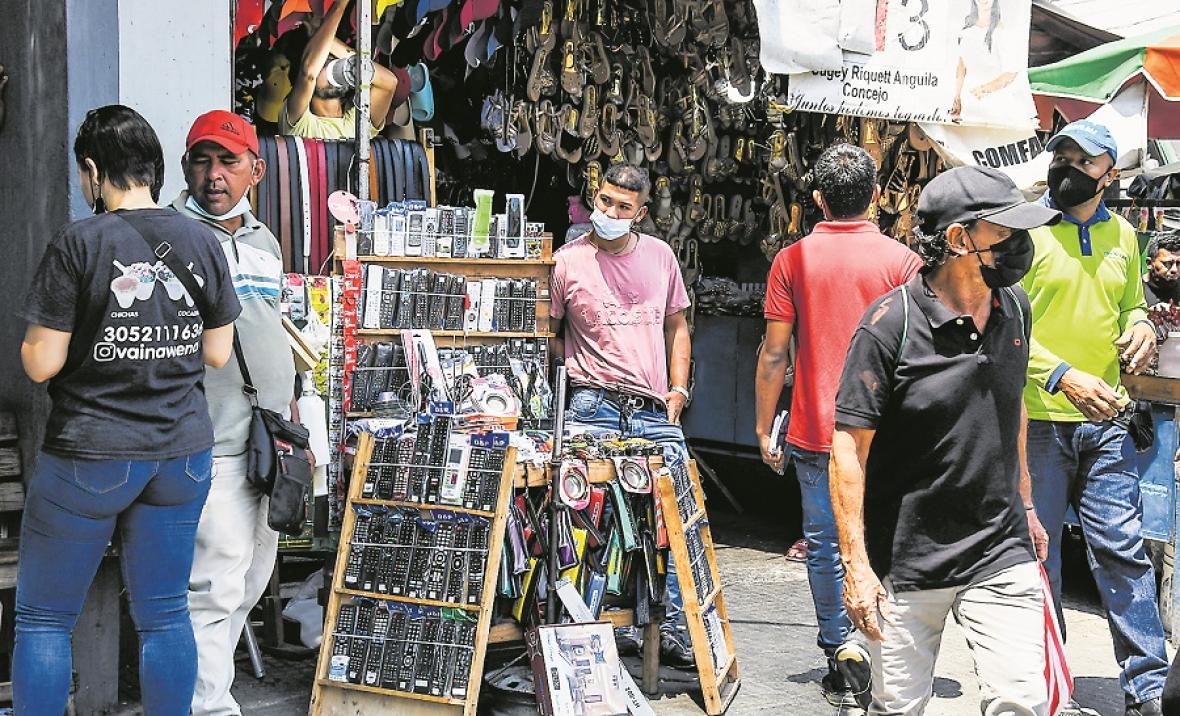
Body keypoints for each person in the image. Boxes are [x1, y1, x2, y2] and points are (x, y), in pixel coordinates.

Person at [15, 105, 241, 715]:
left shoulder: (78, 244)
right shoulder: (202, 239)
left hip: (91, 456)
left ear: (93, 171)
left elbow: (41, 363)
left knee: (43, 619)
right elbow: (217, 351)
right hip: (181, 456)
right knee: (165, 614)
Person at [831, 165, 1060, 715]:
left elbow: (1012, 405)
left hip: (1000, 549)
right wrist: (856, 567)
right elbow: (848, 449)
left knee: (1022, 701)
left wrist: (1025, 502)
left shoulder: (1015, 309)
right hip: (906, 561)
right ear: (959, 239)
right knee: (898, 709)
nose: (1020, 245)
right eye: (1004, 231)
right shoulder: (890, 325)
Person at [754, 143, 922, 707]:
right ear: (877, 197)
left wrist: (762, 425)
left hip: (817, 430)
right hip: (889, 433)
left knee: (826, 547)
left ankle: (841, 652)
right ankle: (887, 653)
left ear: (819, 199)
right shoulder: (903, 262)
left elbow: (775, 354)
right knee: (885, 545)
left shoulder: (791, 260)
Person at [1022, 120, 1168, 716]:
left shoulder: (1127, 237)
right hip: (1037, 420)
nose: (1067, 168)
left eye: (1082, 161)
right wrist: (1061, 375)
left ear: (1109, 174)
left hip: (1108, 420)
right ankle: (1043, 681)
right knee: (1039, 556)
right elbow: (1002, 327)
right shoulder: (1022, 232)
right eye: (1061, 155)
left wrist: (1140, 323)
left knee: (1122, 551)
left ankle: (1149, 688)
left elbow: (1130, 301)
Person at [172, 110, 301, 716]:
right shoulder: (169, 234)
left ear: (256, 168)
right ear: (184, 167)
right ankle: (210, 708)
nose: (214, 173)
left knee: (250, 580)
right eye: (202, 159)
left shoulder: (263, 240)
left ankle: (204, 697)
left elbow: (270, 327)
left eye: (227, 160)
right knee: (215, 589)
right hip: (213, 442)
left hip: (269, 441)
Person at [550, 162, 695, 667]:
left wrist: (678, 390)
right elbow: (550, 334)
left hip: (653, 411)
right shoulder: (567, 261)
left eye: (623, 208)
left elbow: (678, 327)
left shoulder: (660, 257)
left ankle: (672, 627)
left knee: (676, 520)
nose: (610, 213)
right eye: (605, 201)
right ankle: (582, 627)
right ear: (596, 195)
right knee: (584, 521)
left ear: (641, 213)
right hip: (591, 406)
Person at [281, 0, 401, 139]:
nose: (331, 67)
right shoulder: (298, 122)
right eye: (325, 64)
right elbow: (308, 73)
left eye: (335, 62)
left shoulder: (357, 122)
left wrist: (348, 63)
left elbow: (389, 81)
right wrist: (340, 4)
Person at [1143, 230, 1180, 307]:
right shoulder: (1135, 290)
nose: (1174, 269)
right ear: (1149, 263)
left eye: (1178, 264)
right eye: (1167, 264)